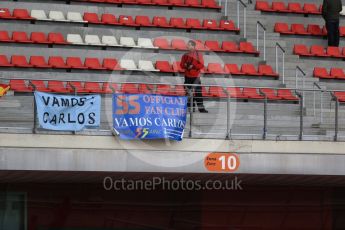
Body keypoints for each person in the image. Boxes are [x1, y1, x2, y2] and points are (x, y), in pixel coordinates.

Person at [180, 40, 208, 113]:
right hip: (187, 76)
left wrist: (193, 66)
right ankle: (190, 108)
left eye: (189, 45)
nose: (187, 46)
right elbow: (181, 65)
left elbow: (201, 65)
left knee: (198, 92)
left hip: (196, 77)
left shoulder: (199, 55)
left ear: (193, 46)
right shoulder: (185, 55)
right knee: (188, 93)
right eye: (187, 45)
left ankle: (201, 108)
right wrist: (185, 65)